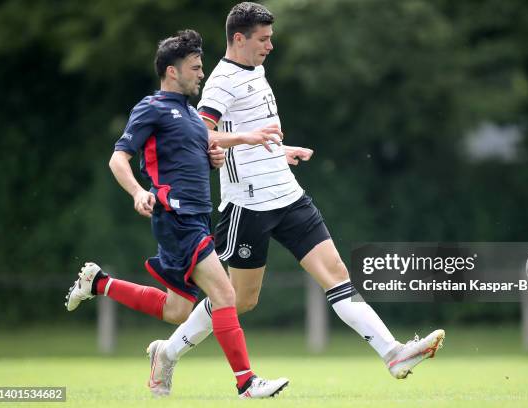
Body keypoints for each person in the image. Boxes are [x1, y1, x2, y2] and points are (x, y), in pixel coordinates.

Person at [149, 1, 446, 393]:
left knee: (337, 275)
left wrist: (279, 151)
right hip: (248, 204)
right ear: (238, 38)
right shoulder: (221, 81)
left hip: (288, 195)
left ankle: (392, 353)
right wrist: (247, 140)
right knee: (238, 300)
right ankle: (167, 354)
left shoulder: (256, 69)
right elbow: (199, 136)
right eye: (263, 39)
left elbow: (251, 132)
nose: (270, 45)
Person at [64, 29, 289, 399]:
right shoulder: (151, 108)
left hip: (198, 217)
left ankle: (100, 283)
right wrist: (138, 192)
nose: (202, 73)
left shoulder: (189, 113)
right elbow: (118, 158)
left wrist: (214, 158)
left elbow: (200, 150)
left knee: (177, 310)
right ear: (172, 71)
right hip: (176, 217)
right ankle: (246, 382)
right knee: (224, 294)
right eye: (195, 67)